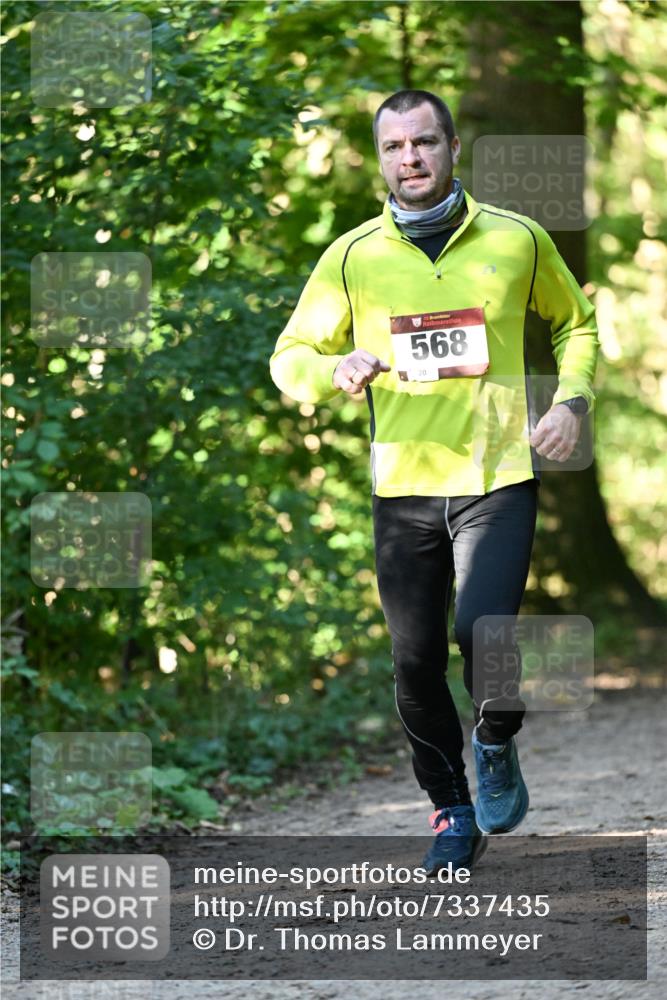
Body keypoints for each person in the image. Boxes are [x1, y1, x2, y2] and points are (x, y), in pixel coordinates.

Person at [269, 89, 599, 874]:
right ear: (379, 158)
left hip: (496, 475)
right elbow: (289, 358)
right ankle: (452, 812)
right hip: (402, 489)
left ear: (453, 146)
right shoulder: (352, 256)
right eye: (393, 148)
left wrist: (571, 401)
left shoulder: (515, 239)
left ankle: (493, 739)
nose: (409, 158)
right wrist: (333, 367)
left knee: (483, 640)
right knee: (414, 664)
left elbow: (575, 322)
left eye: (423, 142)